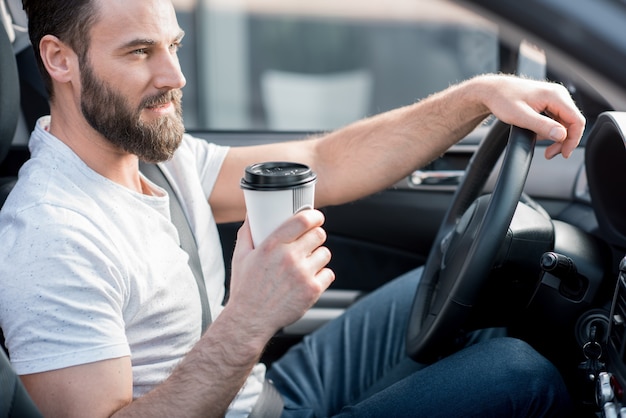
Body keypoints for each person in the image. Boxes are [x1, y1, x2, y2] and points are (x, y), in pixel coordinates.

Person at [0, 0, 585, 417]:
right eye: (139, 52)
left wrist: (478, 96)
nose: (174, 75)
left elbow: (323, 160)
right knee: (519, 375)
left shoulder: (151, 153)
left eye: (174, 45)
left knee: (485, 288)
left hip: (265, 393)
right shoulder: (50, 236)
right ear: (59, 59)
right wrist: (251, 318)